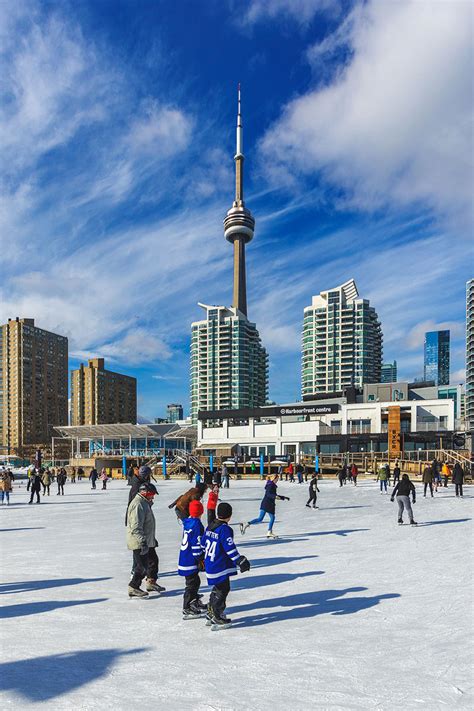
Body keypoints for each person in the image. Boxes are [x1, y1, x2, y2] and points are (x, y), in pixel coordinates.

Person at [203, 501, 250, 629]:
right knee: (223, 589)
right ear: (229, 515)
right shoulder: (225, 529)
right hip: (219, 565)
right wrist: (239, 560)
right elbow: (229, 548)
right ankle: (217, 616)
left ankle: (210, 611)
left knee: (217, 588)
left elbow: (203, 544)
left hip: (210, 563)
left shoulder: (210, 526)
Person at [126, 482, 165, 598]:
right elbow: (136, 526)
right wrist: (142, 542)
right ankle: (133, 586)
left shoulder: (144, 503)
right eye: (152, 494)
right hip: (139, 541)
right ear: (145, 492)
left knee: (153, 561)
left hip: (147, 540)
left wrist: (151, 539)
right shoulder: (138, 504)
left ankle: (151, 582)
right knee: (142, 566)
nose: (153, 497)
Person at [178, 500, 207, 619]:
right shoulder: (197, 525)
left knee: (194, 582)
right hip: (190, 560)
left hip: (185, 558)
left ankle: (194, 602)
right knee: (192, 584)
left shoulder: (188, 521)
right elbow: (196, 545)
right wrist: (200, 559)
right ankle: (187, 607)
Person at [240, 474, 289, 539]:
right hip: (268, 504)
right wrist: (275, 497)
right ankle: (269, 532)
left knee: (260, 518)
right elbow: (268, 494)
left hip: (266, 503)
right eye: (277, 479)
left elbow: (273, 494)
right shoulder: (270, 485)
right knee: (271, 518)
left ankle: (246, 523)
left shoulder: (271, 485)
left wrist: (283, 497)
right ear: (274, 479)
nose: (278, 480)